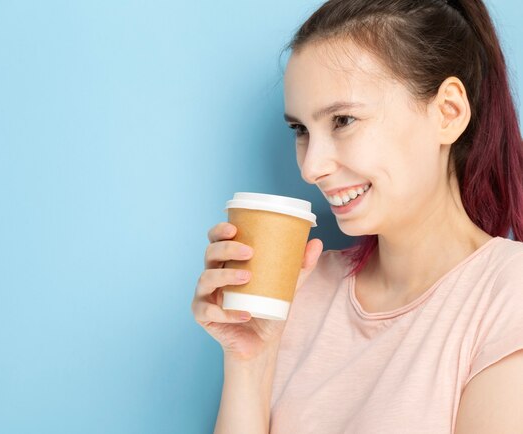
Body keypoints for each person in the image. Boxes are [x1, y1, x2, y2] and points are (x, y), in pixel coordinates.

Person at [191, 0, 523, 432]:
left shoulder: (506, 297)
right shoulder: (297, 291)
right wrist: (248, 360)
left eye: (343, 120)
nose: (311, 168)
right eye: (301, 130)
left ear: (448, 113)